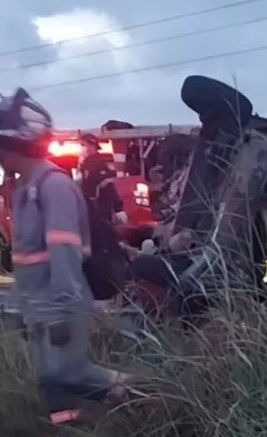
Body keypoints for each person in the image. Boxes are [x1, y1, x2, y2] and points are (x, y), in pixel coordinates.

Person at [0, 88, 129, 423]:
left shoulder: (52, 187)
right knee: (52, 385)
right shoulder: (24, 189)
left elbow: (65, 255)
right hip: (41, 307)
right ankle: (72, 426)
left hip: (61, 306)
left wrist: (60, 313)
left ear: (14, 142)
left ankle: (141, 392)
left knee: (69, 374)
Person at [79, 134, 127, 225]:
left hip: (99, 206)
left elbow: (107, 183)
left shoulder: (99, 161)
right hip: (89, 205)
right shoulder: (87, 161)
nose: (82, 148)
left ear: (92, 145)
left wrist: (118, 208)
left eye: (83, 145)